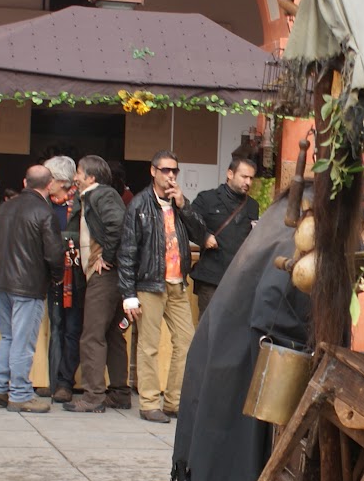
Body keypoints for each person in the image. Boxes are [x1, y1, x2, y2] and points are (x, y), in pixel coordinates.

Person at [166, 200, 311, 481]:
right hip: (250, 359)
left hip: (225, 345)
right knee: (241, 467)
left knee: (230, 463)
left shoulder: (280, 217)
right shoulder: (302, 230)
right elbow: (273, 299)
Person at [118, 150, 214, 423]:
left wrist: (184, 204)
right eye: (165, 170)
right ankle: (149, 403)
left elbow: (201, 234)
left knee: (186, 342)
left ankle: (174, 401)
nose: (171, 175)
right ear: (153, 171)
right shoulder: (139, 204)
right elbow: (127, 252)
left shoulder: (178, 202)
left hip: (177, 283)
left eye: (174, 171)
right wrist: (128, 294)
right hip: (150, 283)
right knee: (148, 346)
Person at [0, 164, 66, 413]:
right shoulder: (45, 212)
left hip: (2, 281)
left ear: (24, 182)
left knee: (8, 337)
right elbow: (54, 254)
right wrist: (56, 278)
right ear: (50, 185)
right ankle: (20, 394)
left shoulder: (4, 208)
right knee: (23, 341)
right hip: (28, 285)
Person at [66, 155, 133, 412]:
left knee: (92, 335)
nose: (75, 177)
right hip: (113, 275)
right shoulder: (96, 196)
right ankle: (119, 393)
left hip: (104, 276)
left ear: (91, 177)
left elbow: (117, 224)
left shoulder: (102, 195)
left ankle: (93, 396)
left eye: (79, 172)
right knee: (113, 335)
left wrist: (106, 256)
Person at [188, 155, 260, 317]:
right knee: (209, 325)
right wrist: (204, 237)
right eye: (244, 176)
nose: (248, 182)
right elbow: (189, 224)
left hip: (239, 278)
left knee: (234, 326)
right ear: (230, 174)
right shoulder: (207, 199)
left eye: (251, 178)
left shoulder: (252, 206)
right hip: (211, 278)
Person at [39, 155, 81, 403]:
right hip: (52, 274)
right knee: (55, 327)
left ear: (64, 181)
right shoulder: (44, 203)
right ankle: (53, 382)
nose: (47, 182)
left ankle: (65, 383)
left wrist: (60, 240)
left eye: (50, 178)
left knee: (72, 329)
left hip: (75, 275)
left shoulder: (82, 203)